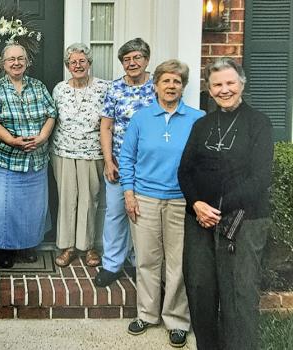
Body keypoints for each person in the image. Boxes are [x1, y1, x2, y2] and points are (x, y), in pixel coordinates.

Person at [178, 58, 273, 350]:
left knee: (239, 295)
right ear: (209, 88)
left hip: (244, 220)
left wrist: (216, 207)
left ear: (241, 84)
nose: (224, 90)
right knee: (200, 290)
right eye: (217, 84)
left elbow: (261, 176)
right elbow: (185, 170)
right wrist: (197, 205)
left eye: (230, 83)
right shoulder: (203, 124)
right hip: (200, 221)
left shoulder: (258, 123)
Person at [119, 60, 204, 348]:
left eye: (176, 82)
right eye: (165, 81)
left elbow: (205, 164)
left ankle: (177, 320)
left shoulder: (197, 118)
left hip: (182, 201)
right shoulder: (141, 118)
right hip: (145, 199)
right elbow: (127, 158)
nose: (171, 86)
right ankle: (146, 314)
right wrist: (128, 194)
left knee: (178, 264)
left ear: (183, 87)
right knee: (146, 260)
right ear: (155, 85)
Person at [0, 44, 57, 268]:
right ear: (3, 64)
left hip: (35, 159)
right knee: (3, 208)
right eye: (11, 59)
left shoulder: (38, 87)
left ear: (27, 62)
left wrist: (42, 137)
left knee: (31, 208)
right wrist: (11, 141)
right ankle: (4, 249)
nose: (16, 63)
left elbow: (52, 114)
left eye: (20, 58)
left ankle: (26, 246)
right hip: (3, 160)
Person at [95, 38, 156, 287]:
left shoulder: (158, 87)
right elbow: (106, 126)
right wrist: (108, 161)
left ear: (146, 60)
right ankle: (112, 265)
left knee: (147, 216)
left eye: (137, 57)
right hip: (120, 165)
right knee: (116, 214)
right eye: (127, 59)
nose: (132, 63)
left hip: (151, 166)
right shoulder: (115, 88)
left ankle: (140, 262)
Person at [50, 43, 109, 267]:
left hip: (92, 152)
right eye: (73, 62)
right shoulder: (59, 89)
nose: (78, 65)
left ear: (89, 63)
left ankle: (89, 247)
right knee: (67, 199)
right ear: (67, 66)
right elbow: (51, 119)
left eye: (82, 61)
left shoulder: (103, 88)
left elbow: (108, 122)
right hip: (62, 151)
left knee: (89, 199)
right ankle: (67, 246)